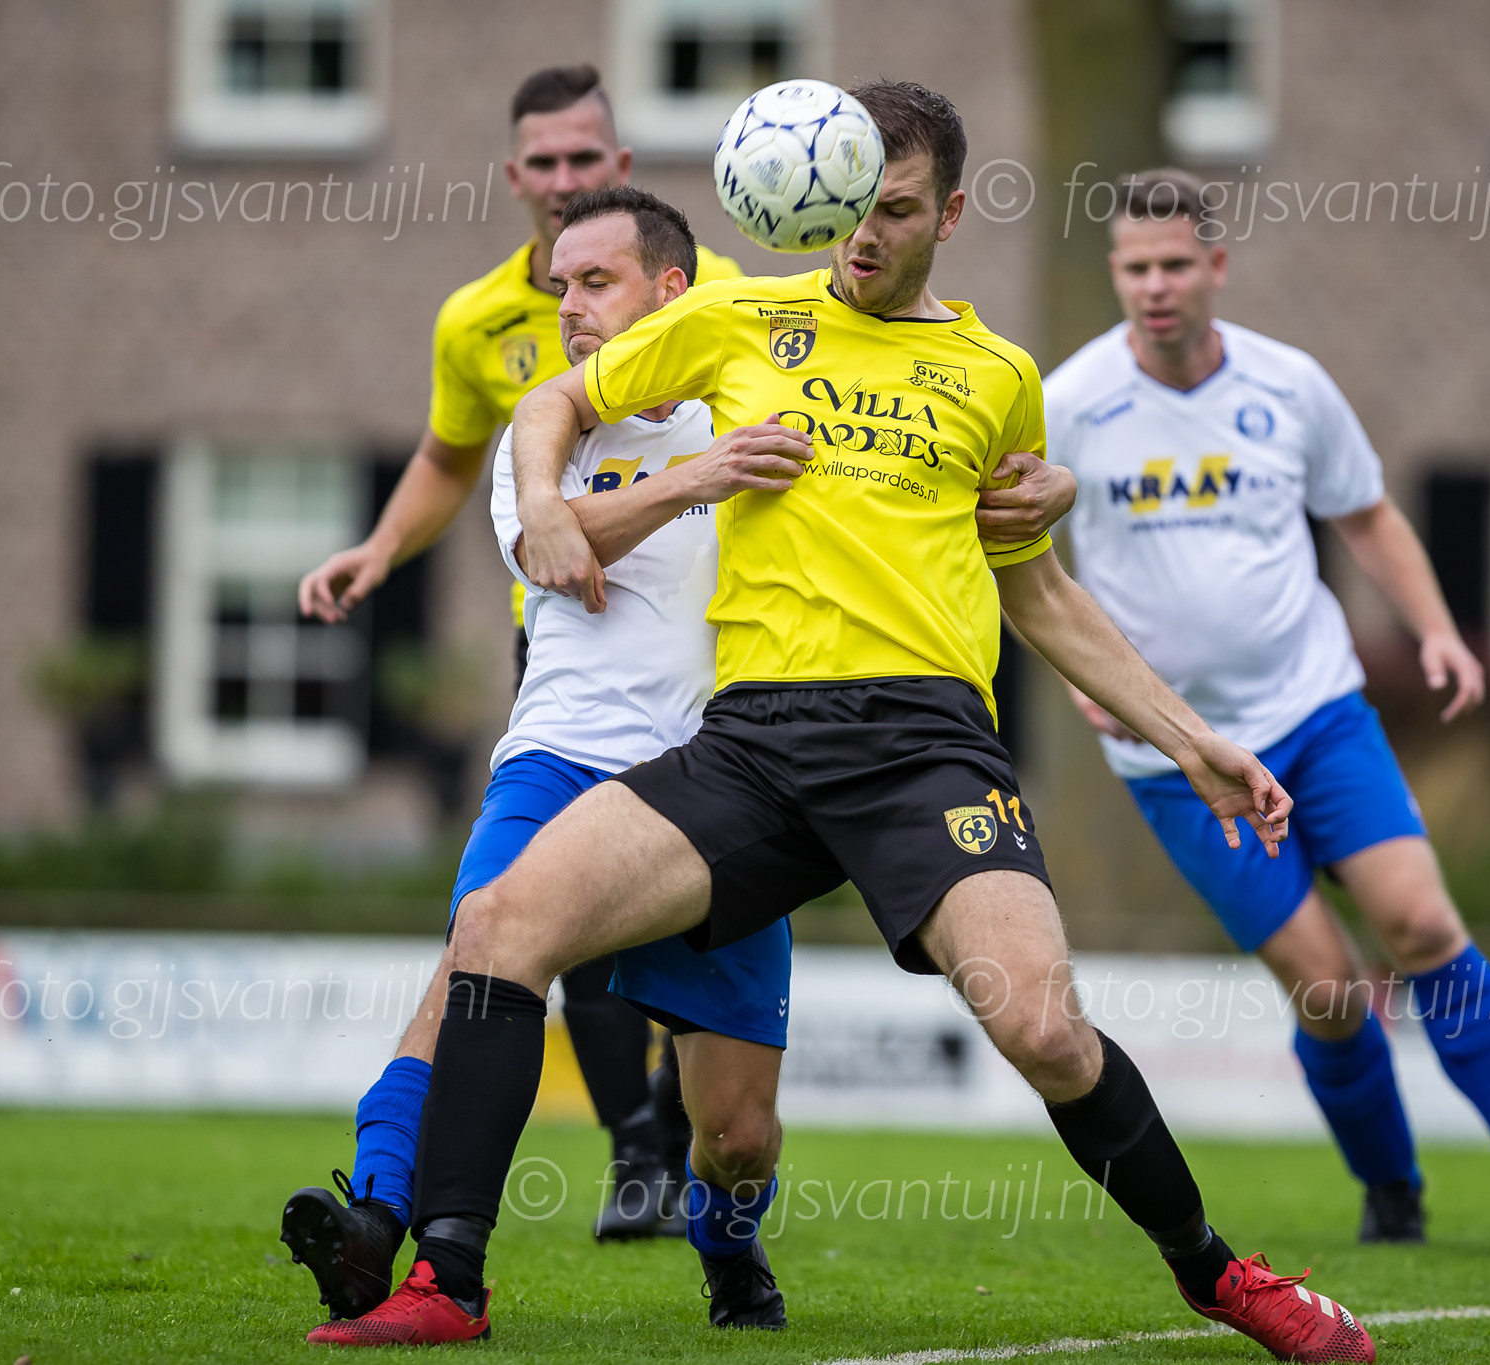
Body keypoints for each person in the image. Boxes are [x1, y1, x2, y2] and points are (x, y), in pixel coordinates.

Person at [354, 84, 1376, 1363]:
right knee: (499, 926)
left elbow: (1041, 595)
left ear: (947, 213)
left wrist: (1190, 738)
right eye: (843, 205)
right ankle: (448, 1279)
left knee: (1042, 1030)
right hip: (750, 744)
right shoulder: (737, 316)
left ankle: (1221, 1276)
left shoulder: (996, 376)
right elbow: (555, 402)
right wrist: (548, 506)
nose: (860, 233)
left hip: (922, 749)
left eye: (891, 209)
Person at [296, 62, 1070, 1244]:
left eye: (595, 282)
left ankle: (720, 1232)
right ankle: (386, 1216)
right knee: (479, 953)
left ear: (671, 289)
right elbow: (540, 527)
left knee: (738, 1128)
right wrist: (650, 485)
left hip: (728, 766)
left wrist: (1049, 483)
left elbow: (900, 472)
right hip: (563, 745)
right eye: (558, 283)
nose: (567, 307)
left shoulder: (753, 356)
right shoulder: (536, 419)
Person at [1041, 168, 1490, 1253]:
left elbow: (1366, 515)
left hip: (1317, 713)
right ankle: (1391, 1188)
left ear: (1215, 267)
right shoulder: (1066, 402)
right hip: (1179, 755)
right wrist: (1083, 678)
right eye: (1135, 268)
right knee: (1330, 993)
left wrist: (1437, 629)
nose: (1155, 286)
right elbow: (1013, 556)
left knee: (1421, 925)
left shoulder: (1290, 383)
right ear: (1114, 274)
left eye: (1175, 265)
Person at [297, 62, 744, 1241]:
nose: (560, 179)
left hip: (719, 709)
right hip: (565, 673)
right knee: (499, 941)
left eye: (581, 159)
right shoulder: (479, 325)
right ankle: (415, 1210)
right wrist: (392, 547)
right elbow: (454, 455)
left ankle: (697, 1181)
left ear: (621, 169)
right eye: (541, 163)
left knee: (720, 1079)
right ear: (513, 177)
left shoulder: (731, 309)